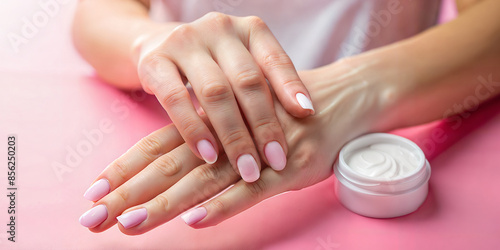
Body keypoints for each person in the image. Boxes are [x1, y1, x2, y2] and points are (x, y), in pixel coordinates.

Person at [74, 0, 500, 234]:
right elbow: (98, 10)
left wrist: (356, 89)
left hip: (372, 142)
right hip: (181, 127)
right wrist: (148, 44)